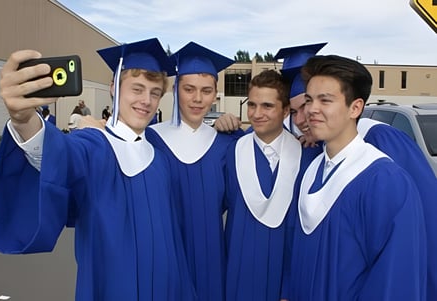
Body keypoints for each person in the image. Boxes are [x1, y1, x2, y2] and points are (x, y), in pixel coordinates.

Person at [0, 38, 196, 301]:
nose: (146, 100)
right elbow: (59, 156)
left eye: (155, 93)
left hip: (168, 288)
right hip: (113, 290)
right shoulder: (94, 145)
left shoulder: (160, 158)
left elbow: (173, 240)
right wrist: (23, 119)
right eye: (137, 89)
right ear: (114, 88)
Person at [277, 45, 437, 300]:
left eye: (325, 100)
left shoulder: (385, 180)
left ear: (355, 108)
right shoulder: (310, 172)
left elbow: (394, 277)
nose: (310, 111)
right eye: (308, 101)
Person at [145, 41, 239, 301]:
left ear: (215, 94)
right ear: (175, 90)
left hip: (212, 260)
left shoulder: (225, 144)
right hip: (163, 256)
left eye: (206, 91)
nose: (198, 99)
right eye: (189, 89)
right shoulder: (151, 139)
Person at [224, 69, 312, 301]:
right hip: (238, 273)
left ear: (285, 111)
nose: (257, 113)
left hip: (284, 276)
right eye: (252, 105)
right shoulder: (230, 152)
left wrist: (289, 287)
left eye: (267, 106)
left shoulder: (306, 158)